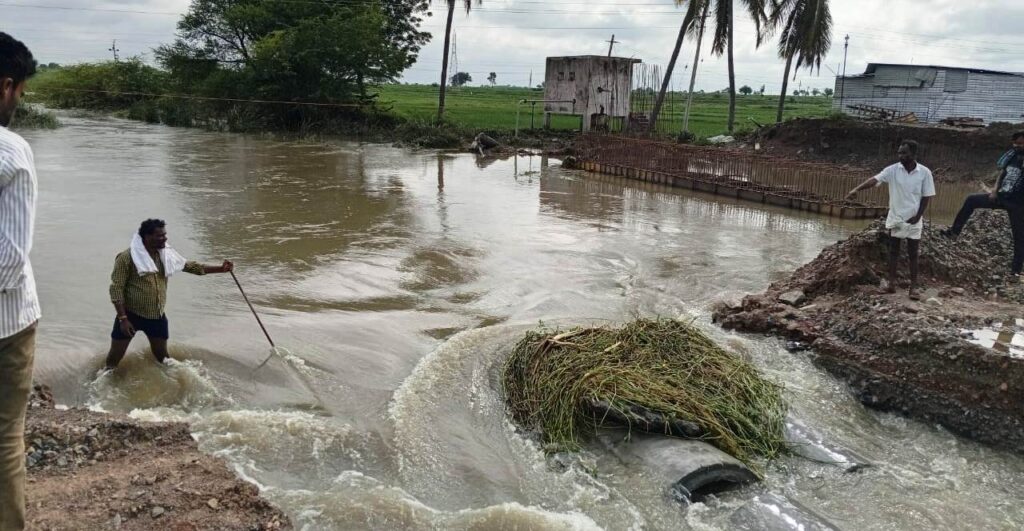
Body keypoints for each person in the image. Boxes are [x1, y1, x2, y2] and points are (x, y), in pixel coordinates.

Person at [0, 32, 39, 531]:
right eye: (21, 91)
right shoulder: (10, 151)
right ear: (6, 85)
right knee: (6, 434)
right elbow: (9, 262)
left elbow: (181, 264)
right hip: (7, 323)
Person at [105, 219, 233, 370]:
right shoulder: (126, 258)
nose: (164, 239)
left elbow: (191, 267)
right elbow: (116, 288)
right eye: (159, 236)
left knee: (163, 358)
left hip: (156, 315)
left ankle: (176, 381)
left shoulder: (166, 254)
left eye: (165, 235)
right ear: (147, 237)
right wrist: (123, 319)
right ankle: (104, 379)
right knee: (114, 359)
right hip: (130, 315)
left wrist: (220, 269)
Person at [846, 140, 936, 301]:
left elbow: (927, 196)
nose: (901, 156)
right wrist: (857, 189)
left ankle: (913, 287)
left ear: (914, 154)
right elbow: (874, 179)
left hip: (914, 219)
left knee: (913, 253)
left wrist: (918, 216)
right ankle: (891, 284)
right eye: (899, 153)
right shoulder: (893, 170)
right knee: (893, 252)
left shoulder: (925, 173)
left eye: (904, 153)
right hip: (896, 217)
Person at [941, 132, 1024, 279]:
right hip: (1001, 196)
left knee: (1019, 236)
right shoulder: (1011, 156)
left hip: (1018, 204)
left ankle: (1015, 271)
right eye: (1015, 143)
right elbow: (1002, 173)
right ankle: (954, 232)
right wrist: (994, 190)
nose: (1016, 146)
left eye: (1020, 143)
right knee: (971, 200)